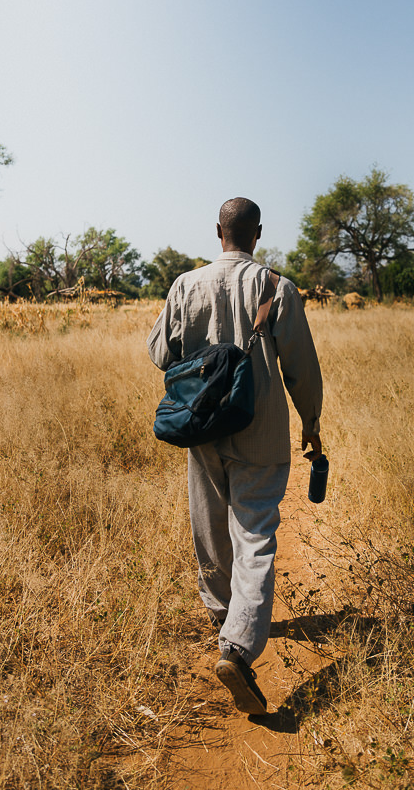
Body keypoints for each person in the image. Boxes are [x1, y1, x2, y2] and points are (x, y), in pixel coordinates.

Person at [147, 197, 323, 715]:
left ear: (217, 232)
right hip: (262, 431)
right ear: (258, 234)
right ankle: (239, 646)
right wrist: (311, 423)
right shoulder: (278, 288)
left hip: (201, 428)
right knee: (255, 533)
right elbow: (301, 368)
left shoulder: (185, 285)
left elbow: (161, 353)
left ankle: (223, 613)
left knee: (209, 527)